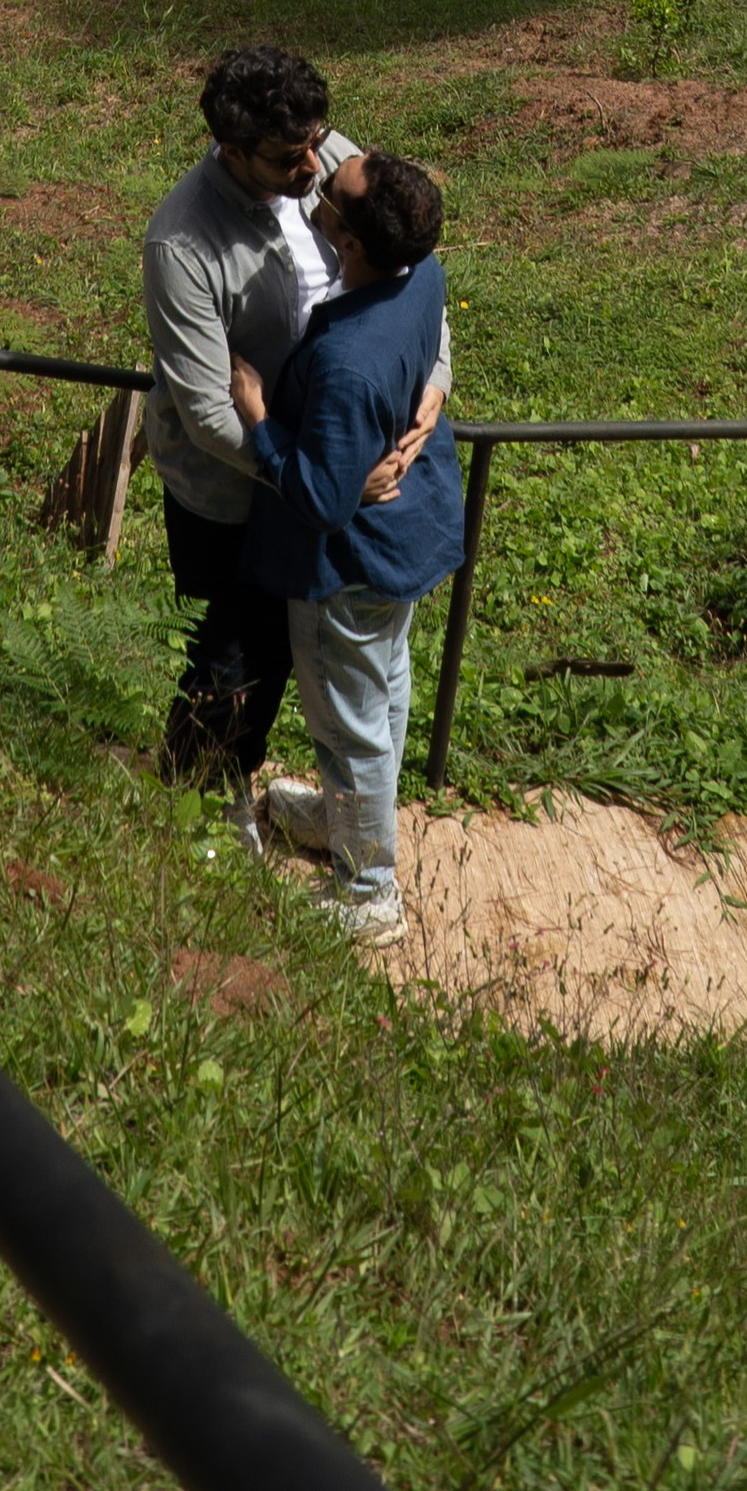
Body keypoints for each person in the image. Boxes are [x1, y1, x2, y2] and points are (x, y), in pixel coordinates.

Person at [140, 48, 444, 824]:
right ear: (231, 149)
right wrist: (315, 478)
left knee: (330, 660)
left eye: (319, 138)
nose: (316, 162)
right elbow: (211, 414)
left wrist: (435, 383)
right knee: (233, 663)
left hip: (321, 473)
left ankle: (328, 811)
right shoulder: (181, 244)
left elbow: (413, 260)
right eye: (288, 156)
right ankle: (202, 811)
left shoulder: (331, 161)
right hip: (236, 491)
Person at [228, 148, 464, 951]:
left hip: (347, 568)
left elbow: (324, 499)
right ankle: (343, 820)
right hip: (408, 540)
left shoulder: (345, 364)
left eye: (333, 191)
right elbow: (429, 353)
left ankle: (369, 893)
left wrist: (260, 418)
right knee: (386, 688)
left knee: (348, 724)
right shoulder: (421, 270)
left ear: (352, 243)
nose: (319, 185)